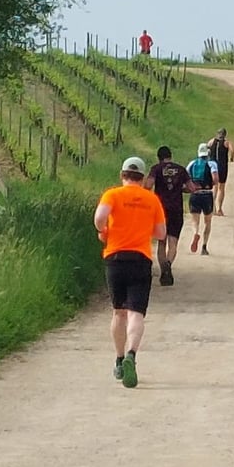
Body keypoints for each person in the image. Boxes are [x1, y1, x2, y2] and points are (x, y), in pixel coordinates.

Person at [95, 156, 167, 387]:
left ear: (122, 174)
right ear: (143, 178)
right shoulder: (152, 199)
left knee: (119, 312)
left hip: (115, 258)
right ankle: (131, 355)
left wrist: (105, 230)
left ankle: (118, 360)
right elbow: (161, 233)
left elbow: (99, 219)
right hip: (140, 259)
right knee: (136, 312)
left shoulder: (112, 195)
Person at [144, 145, 194, 285]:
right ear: (170, 156)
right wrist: (180, 189)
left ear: (159, 157)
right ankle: (168, 266)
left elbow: (148, 185)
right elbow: (191, 188)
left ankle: (163, 270)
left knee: (162, 241)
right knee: (173, 242)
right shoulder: (180, 169)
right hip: (176, 209)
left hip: (160, 209)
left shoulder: (156, 168)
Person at [185, 142, 219, 254]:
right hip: (207, 194)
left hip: (195, 194)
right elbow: (215, 179)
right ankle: (204, 246)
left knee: (195, 221)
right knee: (208, 222)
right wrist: (211, 185)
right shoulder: (211, 164)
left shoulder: (192, 163)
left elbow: (186, 177)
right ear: (207, 153)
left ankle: (195, 233)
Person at [208, 127, 234, 215]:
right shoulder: (226, 142)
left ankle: (212, 208)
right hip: (222, 166)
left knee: (214, 187)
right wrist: (231, 158)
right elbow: (233, 150)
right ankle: (219, 208)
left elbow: (207, 147)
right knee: (221, 187)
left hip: (212, 166)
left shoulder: (212, 141)